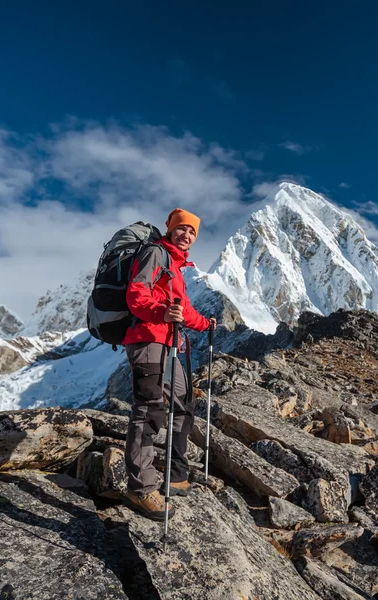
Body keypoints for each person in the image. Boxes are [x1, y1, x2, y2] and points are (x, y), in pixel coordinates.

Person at [122, 208, 216, 520]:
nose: (186, 235)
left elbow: (183, 310)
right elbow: (136, 295)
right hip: (147, 338)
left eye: (192, 232)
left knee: (182, 403)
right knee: (149, 409)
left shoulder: (175, 266)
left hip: (168, 343)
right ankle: (140, 489)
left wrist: (205, 324)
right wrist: (162, 313)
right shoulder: (155, 254)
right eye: (182, 229)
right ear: (171, 229)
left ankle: (175, 474)